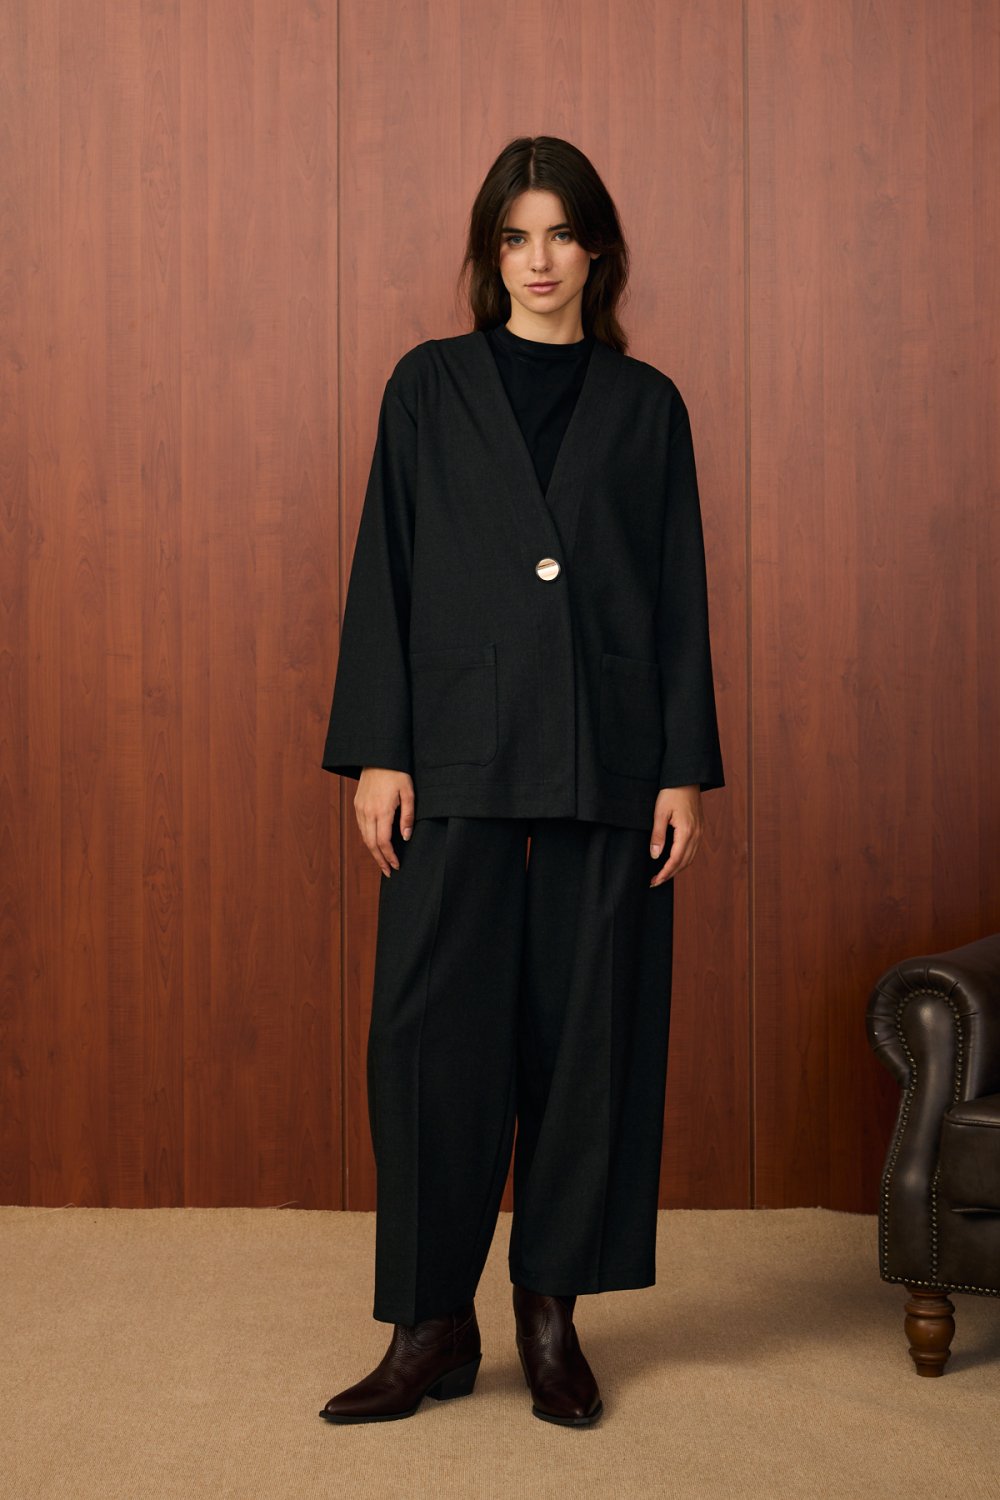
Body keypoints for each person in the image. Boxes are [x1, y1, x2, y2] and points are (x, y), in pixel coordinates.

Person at [318, 135, 725, 1427]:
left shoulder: (647, 406)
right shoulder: (429, 387)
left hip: (611, 752)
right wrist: (381, 748)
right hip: (454, 747)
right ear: (489, 253)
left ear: (597, 249)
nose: (538, 261)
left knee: (591, 1030)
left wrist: (683, 771)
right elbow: (387, 566)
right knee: (430, 1033)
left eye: (559, 235)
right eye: (514, 237)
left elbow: (677, 596)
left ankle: (552, 1308)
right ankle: (431, 1323)